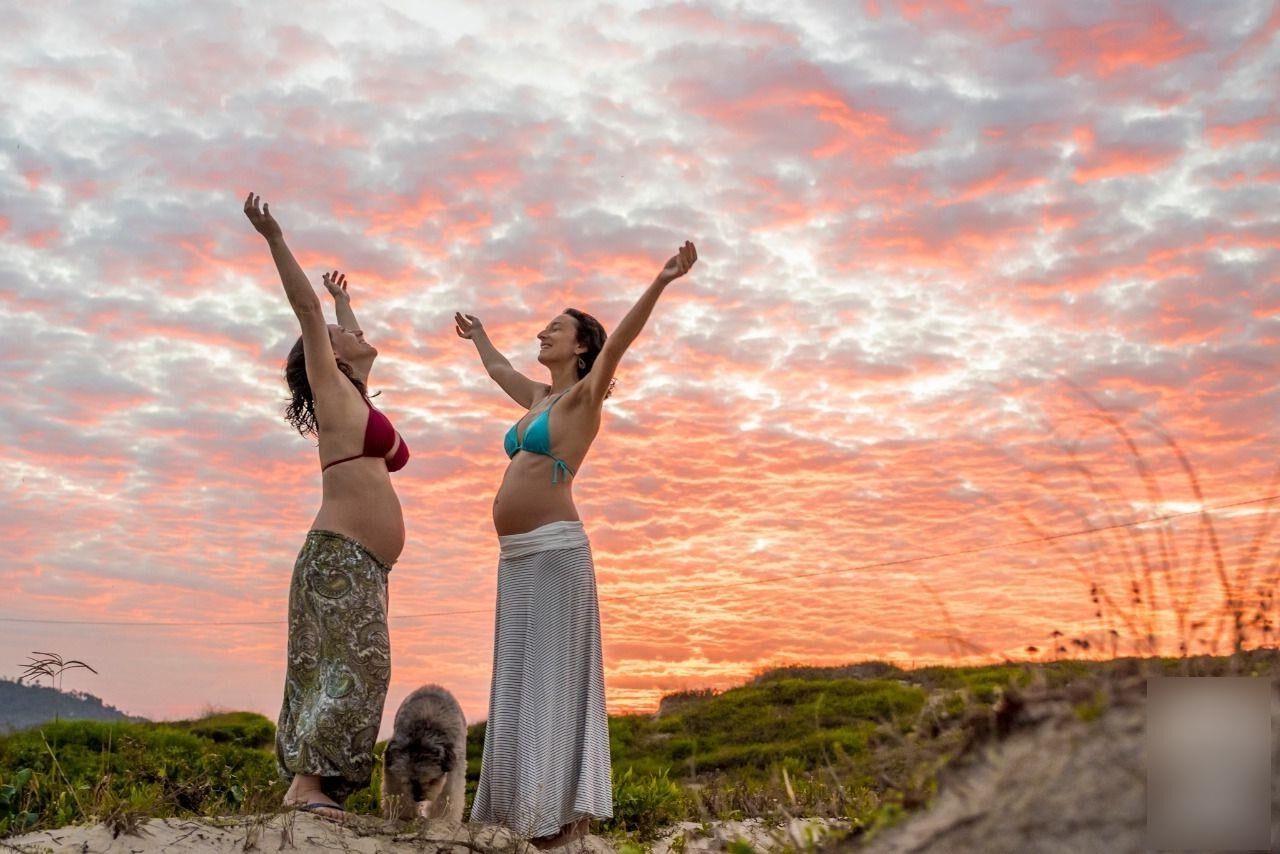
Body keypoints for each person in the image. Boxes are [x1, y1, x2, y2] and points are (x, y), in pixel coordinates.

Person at [458, 241, 698, 848]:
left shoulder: (585, 399)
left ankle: (558, 822)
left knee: (551, 685)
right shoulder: (539, 399)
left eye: (555, 328)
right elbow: (497, 370)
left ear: (580, 346)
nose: (543, 332)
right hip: (515, 562)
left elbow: (621, 342)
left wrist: (662, 280)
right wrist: (481, 335)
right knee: (515, 683)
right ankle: (522, 815)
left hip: (555, 553)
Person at [243, 192, 410, 821]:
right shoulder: (335, 392)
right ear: (329, 358)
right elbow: (305, 308)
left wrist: (347, 302)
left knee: (358, 668)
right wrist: (274, 238)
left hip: (360, 562)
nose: (347, 332)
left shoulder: (357, 401)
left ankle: (310, 790)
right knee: (345, 669)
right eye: (341, 334)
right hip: (339, 555)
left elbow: (348, 331)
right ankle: (310, 787)